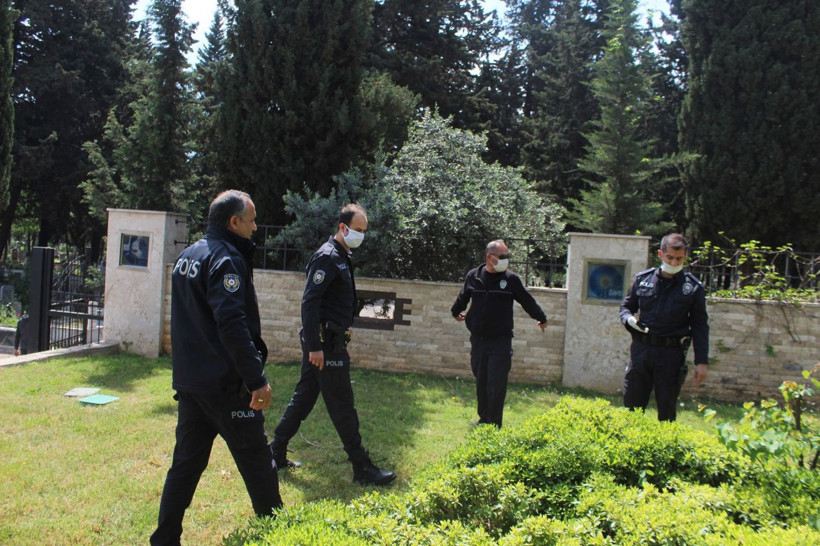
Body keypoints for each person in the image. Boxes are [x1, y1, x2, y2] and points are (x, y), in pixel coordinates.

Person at [151, 190, 282, 545]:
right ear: (234, 222)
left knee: (185, 466)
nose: (255, 227)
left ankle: (164, 539)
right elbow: (232, 325)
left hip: (192, 384)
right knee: (259, 463)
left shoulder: (188, 256)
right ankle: (278, 535)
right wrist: (256, 380)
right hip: (225, 387)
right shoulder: (226, 259)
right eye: (251, 220)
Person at [270, 203, 396, 486]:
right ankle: (362, 467)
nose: (361, 235)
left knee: (303, 399)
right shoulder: (328, 256)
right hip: (325, 347)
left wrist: (349, 320)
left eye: (364, 230)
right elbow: (310, 302)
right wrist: (315, 346)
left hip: (330, 341)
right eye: (357, 229)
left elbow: (334, 299)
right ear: (342, 227)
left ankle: (275, 451)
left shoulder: (341, 256)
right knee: (343, 406)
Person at [451, 239, 548, 427]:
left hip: (500, 341)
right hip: (478, 340)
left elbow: (527, 301)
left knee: (496, 382)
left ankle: (494, 424)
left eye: (507, 256)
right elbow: (463, 297)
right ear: (489, 257)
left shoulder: (511, 280)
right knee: (481, 380)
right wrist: (456, 313)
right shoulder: (474, 276)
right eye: (502, 256)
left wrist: (541, 318)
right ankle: (484, 419)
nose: (506, 259)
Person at [619, 233, 709, 422]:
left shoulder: (693, 288)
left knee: (667, 411)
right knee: (632, 407)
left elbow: (700, 325)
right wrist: (629, 319)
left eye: (679, 259)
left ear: (685, 257)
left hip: (671, 354)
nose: (674, 263)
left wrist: (701, 362)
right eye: (670, 258)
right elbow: (626, 307)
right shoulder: (643, 279)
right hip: (642, 350)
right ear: (660, 254)